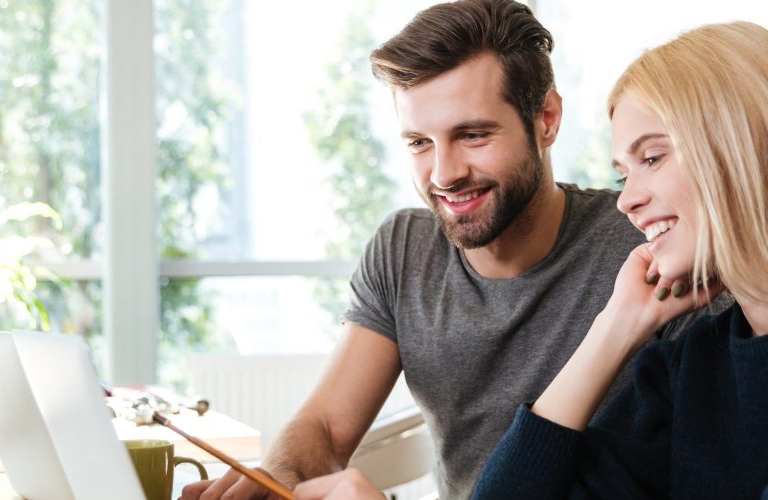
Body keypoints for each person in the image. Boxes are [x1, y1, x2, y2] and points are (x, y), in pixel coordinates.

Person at [293, 20, 768, 500]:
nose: (630, 199)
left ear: (748, 147)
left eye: (652, 157)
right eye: (625, 172)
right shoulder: (692, 359)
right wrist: (613, 329)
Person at [180, 1, 693, 499]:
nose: (444, 175)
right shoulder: (405, 249)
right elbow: (327, 428)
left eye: (471, 135)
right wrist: (277, 476)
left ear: (547, 119)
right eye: (418, 143)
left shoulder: (647, 240)